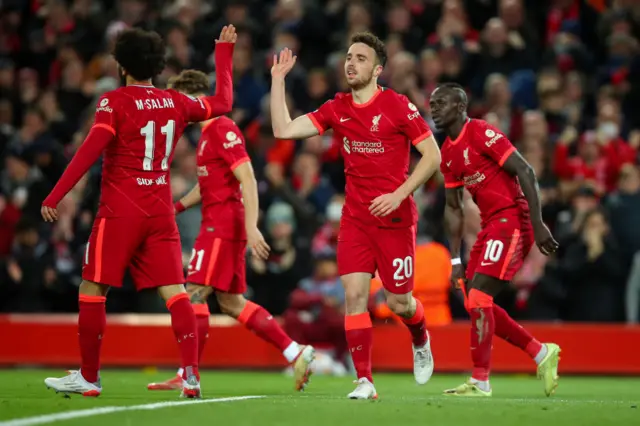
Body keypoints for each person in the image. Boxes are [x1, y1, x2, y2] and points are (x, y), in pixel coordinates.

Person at [40, 26, 239, 399]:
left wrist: (55, 195)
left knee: (93, 286)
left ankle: (89, 376)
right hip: (160, 211)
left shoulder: (112, 102)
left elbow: (87, 152)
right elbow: (224, 102)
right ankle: (191, 374)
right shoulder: (175, 102)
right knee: (176, 293)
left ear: (120, 64)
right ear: (158, 65)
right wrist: (224, 53)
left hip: (120, 211)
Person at [270, 32, 441, 400]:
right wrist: (278, 80)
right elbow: (283, 130)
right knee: (354, 297)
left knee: (399, 303)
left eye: (360, 58)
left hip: (395, 219)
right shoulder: (337, 108)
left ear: (378, 69)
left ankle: (420, 335)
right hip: (356, 221)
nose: (350, 63)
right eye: (348, 56)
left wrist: (399, 194)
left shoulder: (396, 105)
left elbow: (432, 156)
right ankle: (364, 380)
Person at [146, 70, 315, 393]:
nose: (172, 107)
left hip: (222, 225)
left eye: (174, 99)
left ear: (191, 97)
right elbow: (206, 185)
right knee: (231, 303)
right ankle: (296, 352)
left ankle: (188, 374)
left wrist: (252, 226)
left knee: (193, 293)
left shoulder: (222, 127)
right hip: (221, 222)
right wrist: (176, 209)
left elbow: (248, 177)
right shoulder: (206, 134)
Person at [431, 83, 561, 397]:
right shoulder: (447, 153)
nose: (434, 108)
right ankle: (541, 352)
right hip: (492, 225)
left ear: (460, 106)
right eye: (432, 104)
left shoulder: (481, 132)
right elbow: (453, 207)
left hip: (512, 220)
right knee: (475, 302)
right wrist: (455, 259)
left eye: (441, 103)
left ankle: (480, 380)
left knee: (478, 301)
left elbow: (526, 171)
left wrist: (538, 222)